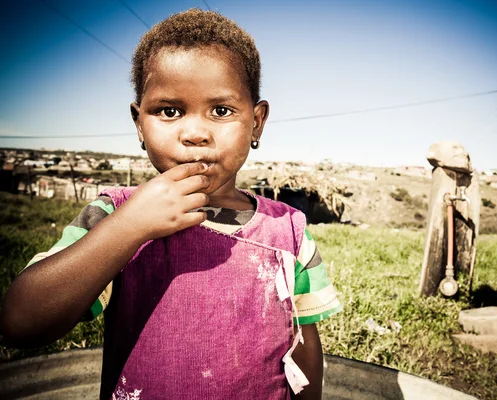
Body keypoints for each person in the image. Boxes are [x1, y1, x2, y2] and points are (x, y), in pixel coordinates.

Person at [0, 9, 342, 399]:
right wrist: (131, 227)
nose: (195, 133)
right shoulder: (115, 214)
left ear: (257, 122)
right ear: (139, 124)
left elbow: (305, 345)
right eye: (169, 111)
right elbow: (20, 323)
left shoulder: (289, 229)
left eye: (221, 111)